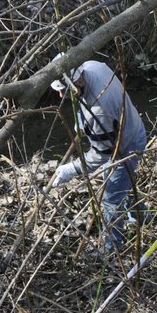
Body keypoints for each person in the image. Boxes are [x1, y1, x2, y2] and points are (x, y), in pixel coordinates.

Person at [48, 55, 148, 253]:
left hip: (126, 145)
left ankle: (112, 249)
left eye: (64, 91)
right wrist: (82, 123)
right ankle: (140, 215)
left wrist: (73, 168)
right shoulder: (93, 66)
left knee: (110, 197)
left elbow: (102, 155)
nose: (61, 97)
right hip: (127, 127)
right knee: (119, 182)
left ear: (78, 81)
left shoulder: (99, 110)